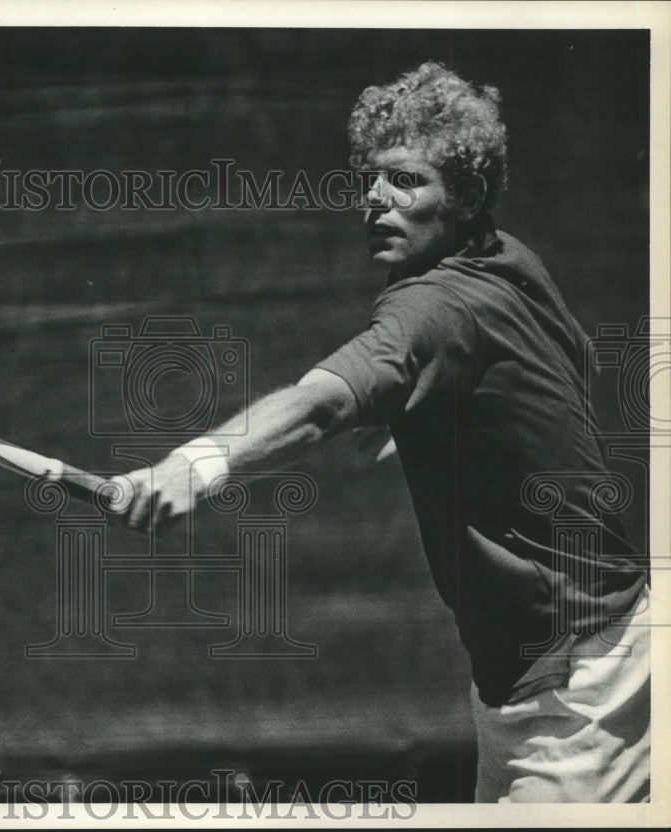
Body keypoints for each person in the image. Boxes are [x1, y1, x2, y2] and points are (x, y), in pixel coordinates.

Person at [114, 62, 650, 803]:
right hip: (544, 664)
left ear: (460, 197)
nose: (374, 199)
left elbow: (320, 404)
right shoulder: (508, 258)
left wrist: (193, 463)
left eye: (405, 181)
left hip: (576, 680)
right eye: (372, 178)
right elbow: (564, 361)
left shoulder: (430, 310)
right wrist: (432, 416)